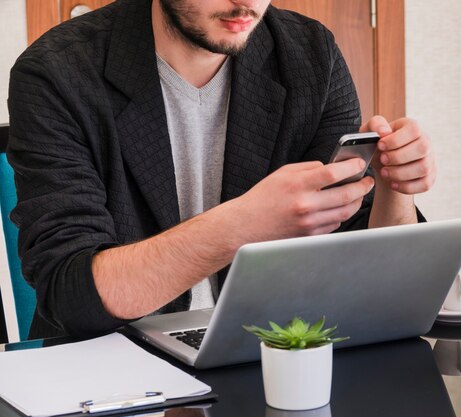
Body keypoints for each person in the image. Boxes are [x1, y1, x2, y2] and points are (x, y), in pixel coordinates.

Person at [7, 0, 436, 339]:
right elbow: (71, 293)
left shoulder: (310, 54)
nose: (247, 2)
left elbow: (361, 264)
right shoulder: (56, 73)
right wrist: (242, 224)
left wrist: (396, 186)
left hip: (271, 349)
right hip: (110, 367)